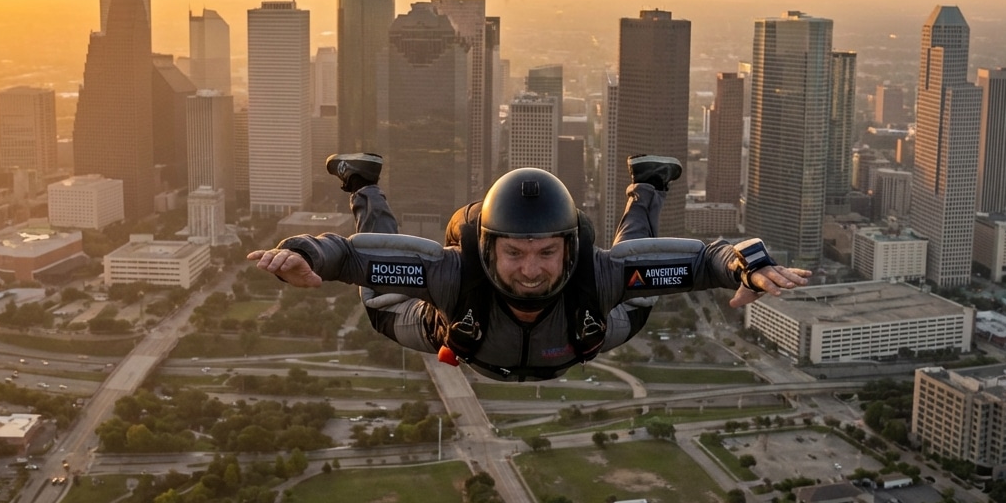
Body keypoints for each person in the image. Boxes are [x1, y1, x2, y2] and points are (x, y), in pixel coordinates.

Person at [249, 152, 810, 382]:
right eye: (514, 252)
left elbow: (699, 262)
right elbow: (354, 256)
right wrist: (305, 253)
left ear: (568, 247)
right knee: (379, 293)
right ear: (488, 247)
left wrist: (745, 264)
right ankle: (362, 183)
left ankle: (649, 183)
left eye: (547, 252)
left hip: (580, 336)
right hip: (460, 336)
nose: (531, 271)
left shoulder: (598, 273)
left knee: (637, 290)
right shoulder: (451, 274)